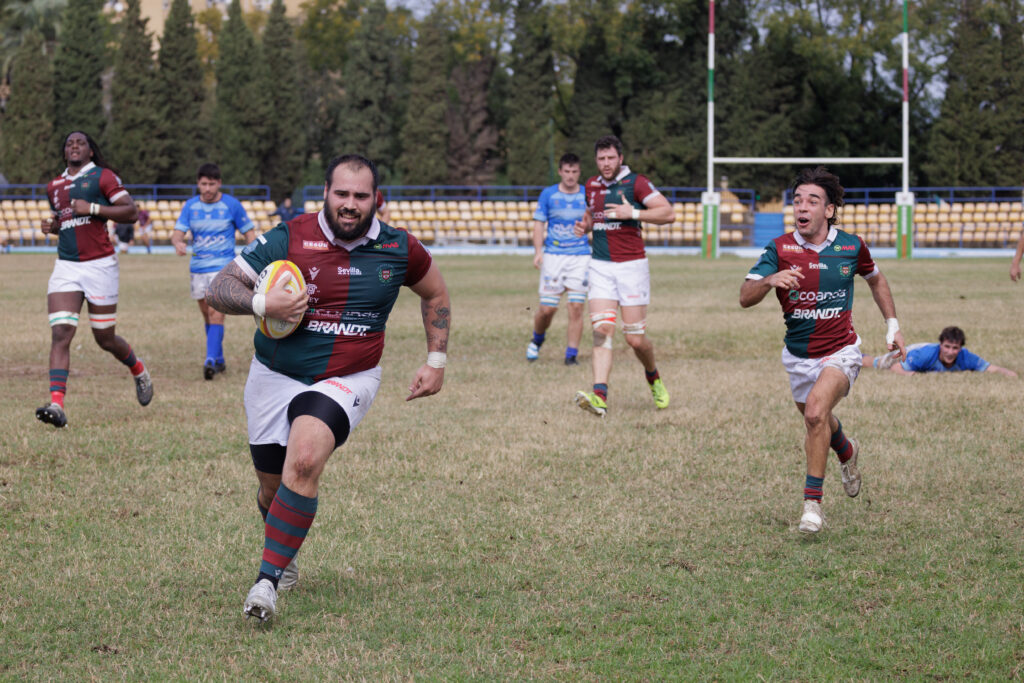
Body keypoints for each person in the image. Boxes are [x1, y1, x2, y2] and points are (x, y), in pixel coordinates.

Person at [205, 153, 451, 624]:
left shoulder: (399, 247)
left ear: (377, 199)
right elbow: (220, 287)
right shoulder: (289, 236)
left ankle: (265, 582)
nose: (350, 204)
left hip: (348, 376)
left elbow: (436, 293)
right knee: (271, 487)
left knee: (304, 460)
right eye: (341, 193)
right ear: (325, 193)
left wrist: (436, 360)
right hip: (274, 372)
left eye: (361, 195)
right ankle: (285, 547)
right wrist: (263, 302)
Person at [740, 166, 906, 535]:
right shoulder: (779, 248)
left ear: (829, 210)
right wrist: (770, 280)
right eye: (797, 200)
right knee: (817, 419)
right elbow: (744, 296)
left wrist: (892, 325)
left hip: (841, 351)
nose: (802, 207)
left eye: (812, 201)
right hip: (798, 356)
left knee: (816, 413)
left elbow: (876, 279)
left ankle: (812, 505)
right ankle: (847, 450)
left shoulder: (851, 246)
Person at [36, 131, 154, 428]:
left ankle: (138, 369)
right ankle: (57, 405)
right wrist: (53, 226)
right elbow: (68, 221)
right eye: (69, 143)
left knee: (105, 338)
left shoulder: (103, 177)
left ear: (90, 151)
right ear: (65, 152)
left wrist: (92, 208)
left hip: (100, 266)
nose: (74, 146)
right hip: (66, 266)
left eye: (81, 143)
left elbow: (131, 212)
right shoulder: (54, 186)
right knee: (61, 332)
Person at [572, 135, 674, 415]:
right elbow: (592, 215)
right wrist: (585, 226)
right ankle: (599, 396)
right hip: (600, 266)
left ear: (620, 158)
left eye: (610, 158)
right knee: (601, 330)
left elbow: (668, 213)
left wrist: (634, 213)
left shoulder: (636, 183)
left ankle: (653, 376)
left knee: (634, 339)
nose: (606, 163)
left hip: (632, 267)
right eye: (601, 159)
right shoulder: (591, 185)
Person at [171, 163, 257, 379]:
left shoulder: (232, 205)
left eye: (211, 184)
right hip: (198, 268)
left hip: (223, 269)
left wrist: (253, 257)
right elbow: (177, 233)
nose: (207, 188)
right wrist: (178, 243)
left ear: (219, 183)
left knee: (216, 313)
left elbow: (249, 234)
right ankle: (218, 359)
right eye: (203, 184)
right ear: (198, 184)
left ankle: (209, 360)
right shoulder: (190, 206)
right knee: (206, 315)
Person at [526, 152, 589, 365]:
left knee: (576, 307)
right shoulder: (548, 195)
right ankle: (537, 339)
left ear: (579, 172)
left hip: (580, 257)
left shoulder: (587, 195)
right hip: (554, 257)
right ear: (560, 171)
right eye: (567, 171)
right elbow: (539, 224)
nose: (570, 175)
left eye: (574, 171)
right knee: (547, 309)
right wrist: (538, 251)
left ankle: (571, 355)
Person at [864, 325, 1017, 377]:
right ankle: (858, 357)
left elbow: (991, 368)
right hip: (913, 351)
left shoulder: (966, 357)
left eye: (955, 348)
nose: (950, 352)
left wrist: (1011, 374)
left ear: (960, 348)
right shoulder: (925, 355)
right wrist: (913, 375)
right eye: (947, 347)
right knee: (877, 363)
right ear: (941, 345)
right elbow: (896, 368)